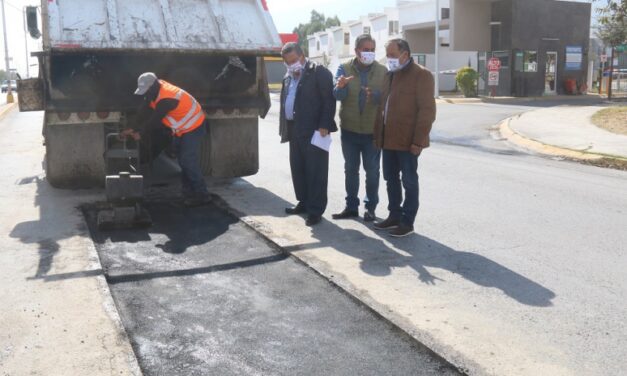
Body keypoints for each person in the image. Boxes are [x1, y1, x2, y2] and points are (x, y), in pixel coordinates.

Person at [373, 39, 436, 237]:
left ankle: (407, 222)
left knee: (409, 181)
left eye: (392, 55)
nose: (389, 59)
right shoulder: (390, 75)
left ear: (405, 55)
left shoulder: (422, 75)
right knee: (390, 179)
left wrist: (418, 141)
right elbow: (384, 106)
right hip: (388, 139)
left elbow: (427, 111)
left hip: (409, 142)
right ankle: (394, 215)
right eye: (388, 55)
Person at [122, 72, 210, 207]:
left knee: (187, 160)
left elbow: (154, 121)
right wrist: (132, 127)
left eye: (146, 91)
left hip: (194, 126)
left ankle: (202, 195)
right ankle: (188, 193)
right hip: (182, 129)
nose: (145, 94)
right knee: (183, 160)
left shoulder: (167, 99)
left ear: (153, 86)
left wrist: (140, 133)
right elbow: (144, 110)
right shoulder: (155, 90)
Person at [279, 42, 337, 226]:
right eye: (288, 63)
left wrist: (324, 125)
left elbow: (329, 100)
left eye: (294, 60)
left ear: (302, 56)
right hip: (294, 128)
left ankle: (315, 210)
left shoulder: (318, 72)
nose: (292, 65)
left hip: (315, 130)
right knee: (298, 168)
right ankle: (303, 202)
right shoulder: (288, 76)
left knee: (316, 171)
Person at [332, 34, 387, 222]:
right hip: (349, 131)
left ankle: (370, 208)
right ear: (356, 51)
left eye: (372, 49)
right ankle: (351, 207)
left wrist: (377, 97)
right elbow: (338, 96)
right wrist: (340, 87)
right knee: (351, 170)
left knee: (372, 172)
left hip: (372, 132)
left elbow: (388, 98)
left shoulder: (382, 71)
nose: (369, 53)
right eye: (366, 49)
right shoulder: (344, 68)